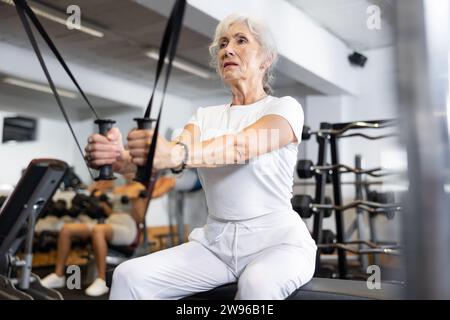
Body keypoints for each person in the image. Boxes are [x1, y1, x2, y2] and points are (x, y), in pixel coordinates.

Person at [85, 13, 317, 300]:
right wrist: (121, 161)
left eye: (240, 40)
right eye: (222, 44)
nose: (227, 49)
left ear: (266, 59)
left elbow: (240, 147)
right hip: (215, 246)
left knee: (257, 285)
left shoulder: (283, 109)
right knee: (128, 276)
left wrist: (175, 152)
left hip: (277, 243)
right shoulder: (205, 117)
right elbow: (168, 163)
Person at [40, 174, 175, 296]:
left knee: (98, 230)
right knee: (67, 229)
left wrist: (134, 201)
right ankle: (58, 275)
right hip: (111, 223)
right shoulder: (119, 188)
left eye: (129, 169)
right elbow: (112, 213)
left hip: (127, 228)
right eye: (125, 169)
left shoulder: (138, 188)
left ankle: (102, 280)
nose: (126, 172)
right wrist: (103, 202)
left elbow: (140, 218)